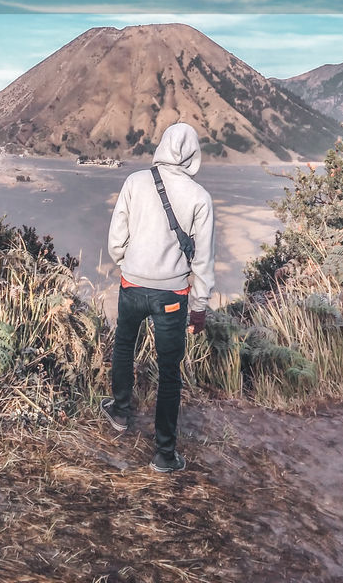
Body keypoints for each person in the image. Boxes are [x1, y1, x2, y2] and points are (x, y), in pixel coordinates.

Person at [101, 121, 215, 474]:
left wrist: (128, 265)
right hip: (172, 294)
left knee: (124, 345)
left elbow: (116, 238)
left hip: (132, 285)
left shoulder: (135, 182)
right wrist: (198, 306)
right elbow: (204, 259)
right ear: (194, 155)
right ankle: (164, 454)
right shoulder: (199, 197)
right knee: (169, 371)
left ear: (162, 146)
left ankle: (120, 412)